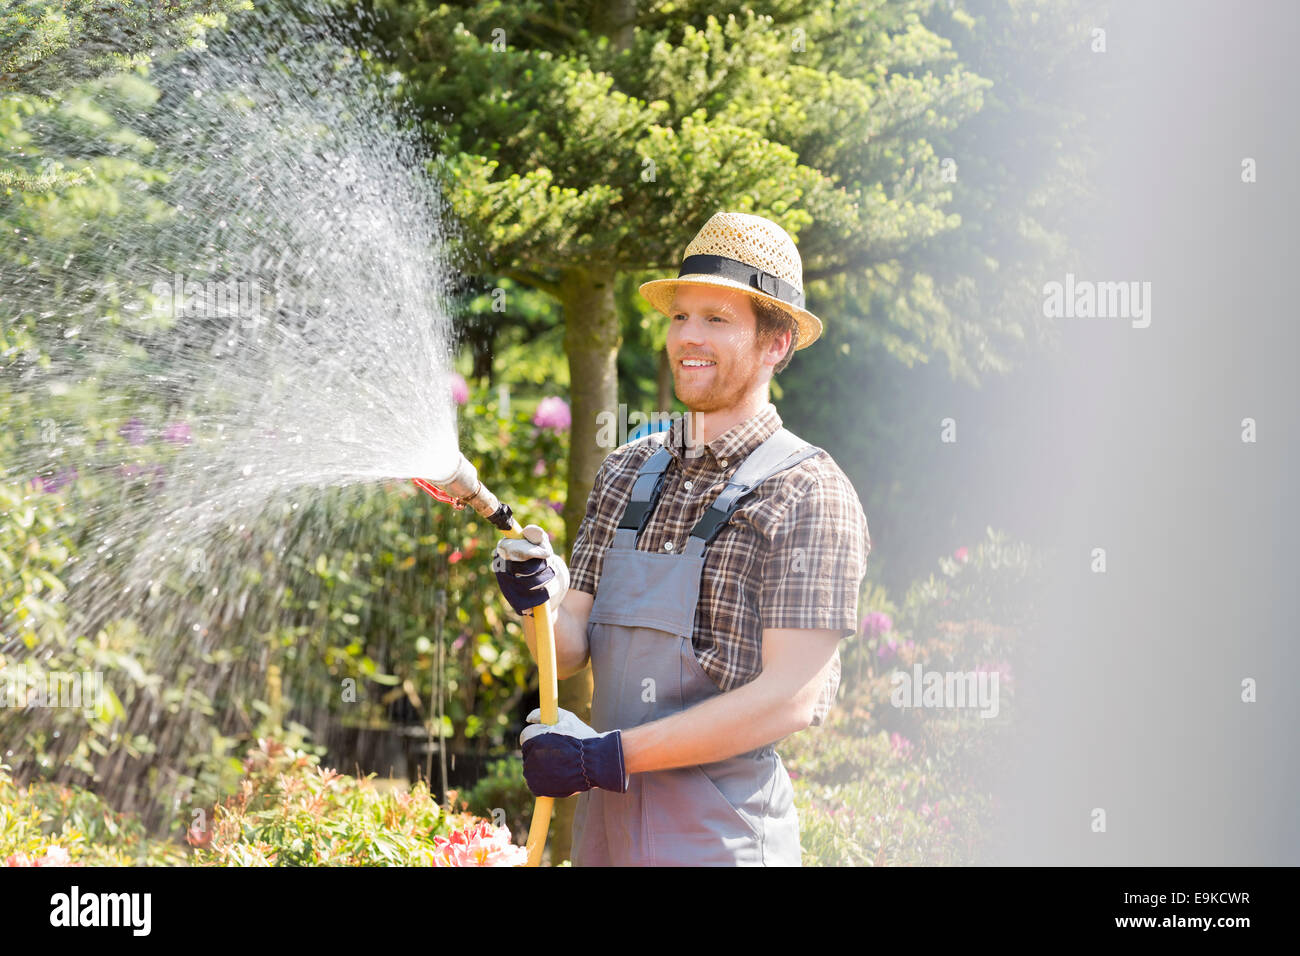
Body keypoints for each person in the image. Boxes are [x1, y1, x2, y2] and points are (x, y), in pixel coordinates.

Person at [492, 211, 871, 866]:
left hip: (720, 845)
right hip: (605, 838)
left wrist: (604, 757)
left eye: (716, 320)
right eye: (680, 316)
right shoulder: (627, 472)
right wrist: (535, 600)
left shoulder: (809, 494)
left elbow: (790, 698)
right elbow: (571, 647)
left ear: (776, 343)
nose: (687, 337)